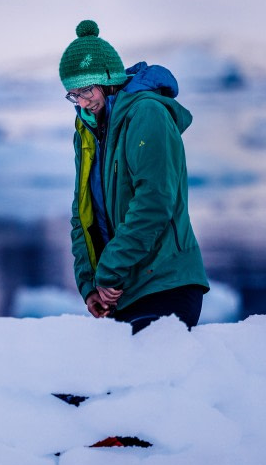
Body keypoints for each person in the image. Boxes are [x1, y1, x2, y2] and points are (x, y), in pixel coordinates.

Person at [61, 19, 209, 334]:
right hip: (123, 293)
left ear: (108, 79)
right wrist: (89, 285)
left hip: (166, 286)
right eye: (74, 95)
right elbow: (83, 212)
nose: (83, 102)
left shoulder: (146, 114)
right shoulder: (87, 129)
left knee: (138, 379)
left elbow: (154, 203)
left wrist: (110, 272)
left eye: (87, 90)